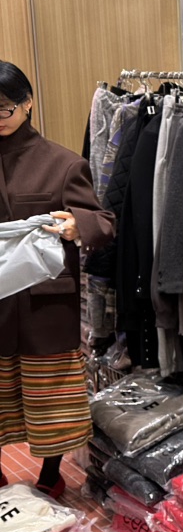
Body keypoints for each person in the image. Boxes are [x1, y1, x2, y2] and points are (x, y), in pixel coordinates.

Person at [0, 60, 114, 497]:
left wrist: (75, 226)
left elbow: (104, 222)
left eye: (5, 108)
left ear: (27, 102)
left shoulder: (63, 163)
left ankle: (51, 473)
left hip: (44, 302)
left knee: (51, 397)